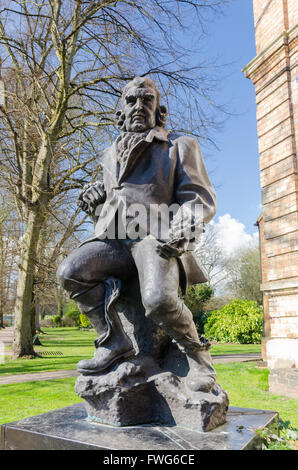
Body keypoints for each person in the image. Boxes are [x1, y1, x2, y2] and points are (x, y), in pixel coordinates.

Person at [57, 76, 217, 392]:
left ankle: (199, 359)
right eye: (131, 100)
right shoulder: (108, 155)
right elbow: (108, 209)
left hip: (154, 234)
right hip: (115, 236)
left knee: (158, 300)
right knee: (70, 272)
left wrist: (183, 226)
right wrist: (95, 201)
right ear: (121, 110)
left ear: (159, 110)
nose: (139, 106)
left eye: (147, 100)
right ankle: (113, 341)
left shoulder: (179, 147)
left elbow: (199, 198)